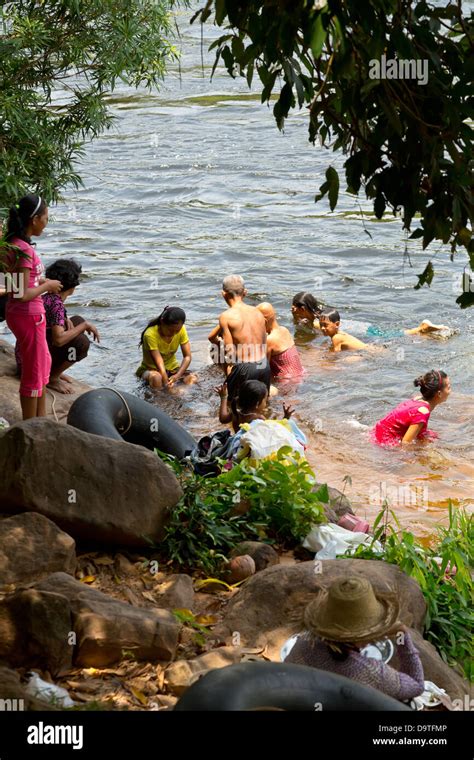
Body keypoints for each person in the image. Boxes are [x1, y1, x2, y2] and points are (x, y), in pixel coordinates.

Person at [285, 576, 424, 703]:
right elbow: (416, 685)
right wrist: (403, 635)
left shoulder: (301, 644)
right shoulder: (369, 671)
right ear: (361, 635)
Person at [2, 194, 63, 419]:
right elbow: (21, 294)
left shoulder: (11, 244)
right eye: (46, 218)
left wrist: (39, 283)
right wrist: (47, 286)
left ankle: (41, 419)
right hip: (28, 315)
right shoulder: (23, 250)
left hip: (21, 313)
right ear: (35, 219)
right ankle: (31, 426)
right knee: (34, 371)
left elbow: (9, 284)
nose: (46, 224)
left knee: (42, 365)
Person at [40, 259, 99, 394]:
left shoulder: (48, 297)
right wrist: (85, 325)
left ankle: (54, 370)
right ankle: (52, 377)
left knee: (77, 320)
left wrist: (67, 318)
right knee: (81, 343)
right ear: (72, 286)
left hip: (33, 351)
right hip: (34, 360)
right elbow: (58, 340)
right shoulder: (56, 305)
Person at [208, 275, 270, 400]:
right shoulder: (258, 312)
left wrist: (229, 374)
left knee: (236, 407)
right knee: (262, 404)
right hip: (263, 365)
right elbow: (264, 343)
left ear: (223, 294)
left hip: (244, 368)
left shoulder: (226, 316)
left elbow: (229, 353)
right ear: (245, 293)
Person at [373, 370, 450, 445]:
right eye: (449, 387)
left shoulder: (418, 399)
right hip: (384, 441)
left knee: (433, 436)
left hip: (378, 431)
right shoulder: (423, 412)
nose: (450, 391)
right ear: (439, 394)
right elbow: (406, 443)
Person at [137, 305, 196, 389]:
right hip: (151, 369)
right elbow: (159, 363)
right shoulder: (150, 335)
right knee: (156, 378)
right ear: (162, 322)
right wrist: (167, 386)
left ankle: (184, 397)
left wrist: (177, 375)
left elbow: (187, 356)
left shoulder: (182, 329)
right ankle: (159, 400)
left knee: (193, 378)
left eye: (177, 331)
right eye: (170, 330)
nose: (173, 334)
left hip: (172, 368)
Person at [257, 302, 305, 380]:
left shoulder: (269, 340)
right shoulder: (284, 330)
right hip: (300, 374)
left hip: (286, 382)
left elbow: (261, 368)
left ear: (264, 321)